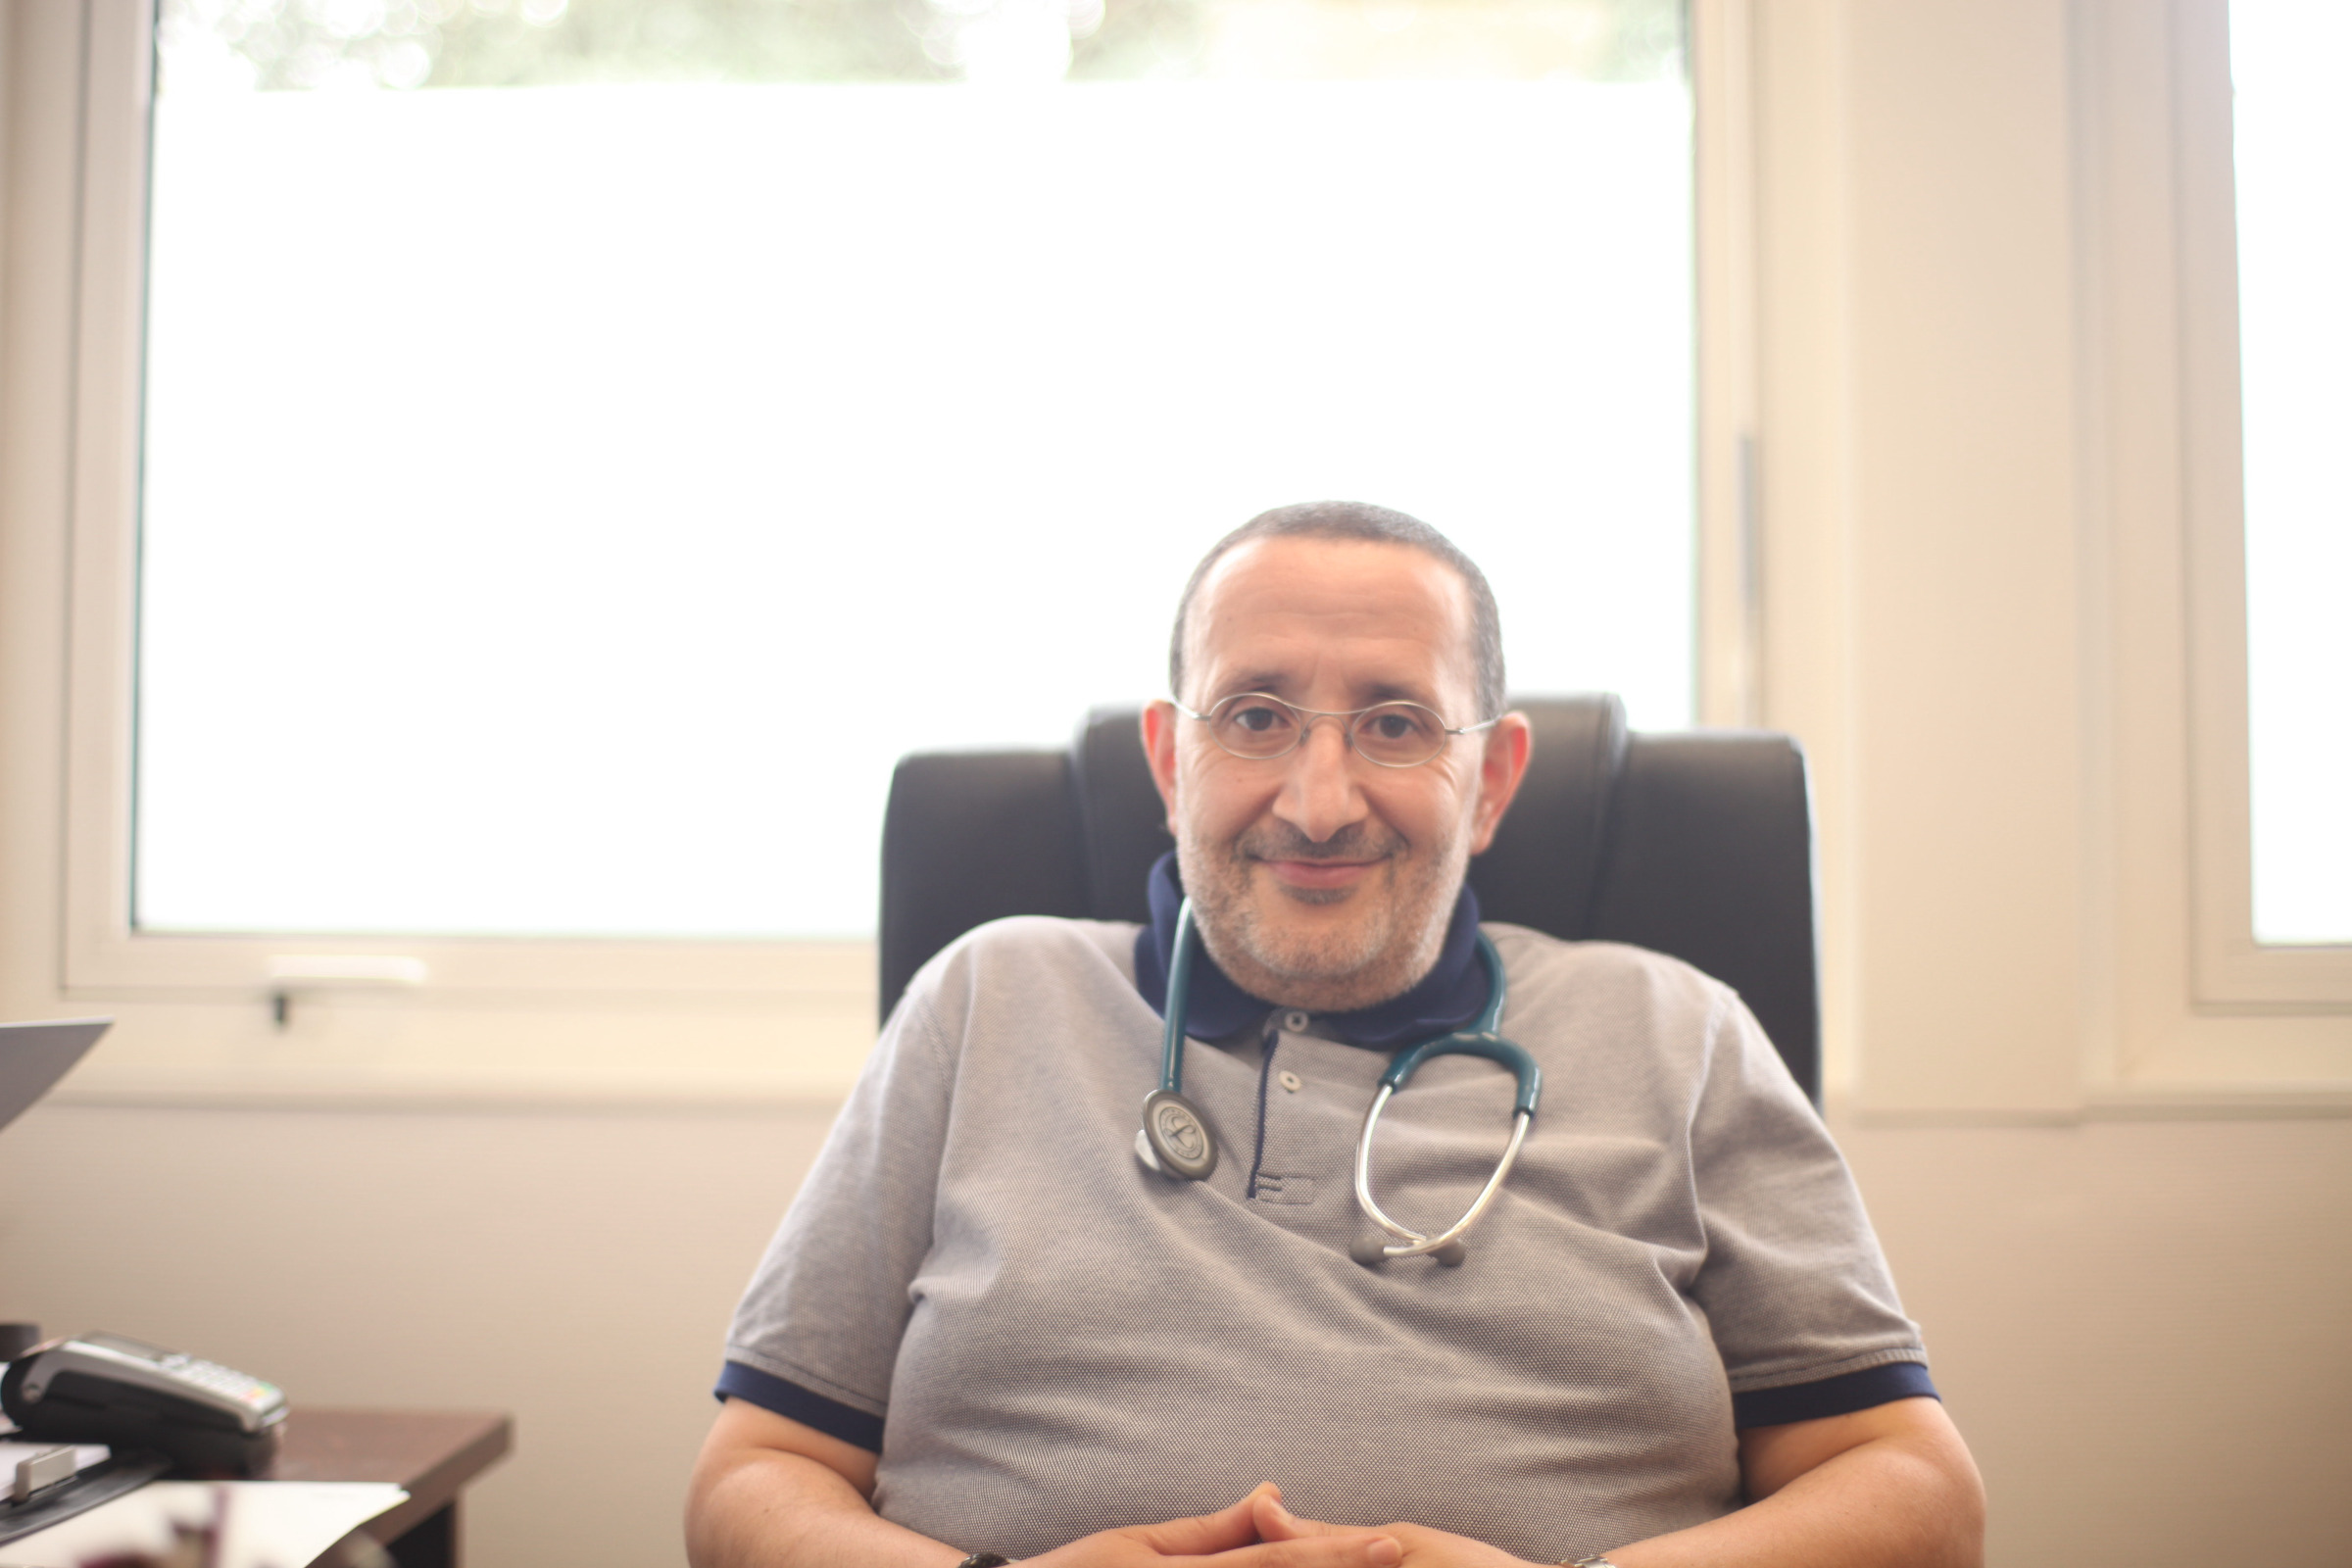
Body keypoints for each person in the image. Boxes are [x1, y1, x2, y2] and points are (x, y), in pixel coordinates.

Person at [688, 503, 1985, 1568]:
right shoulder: (984, 1000)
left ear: (1493, 781)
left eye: (1395, 724)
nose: (1318, 805)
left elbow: (1918, 1495)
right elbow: (754, 1479)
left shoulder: (1677, 1032)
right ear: (1170, 761)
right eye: (1255, 716)